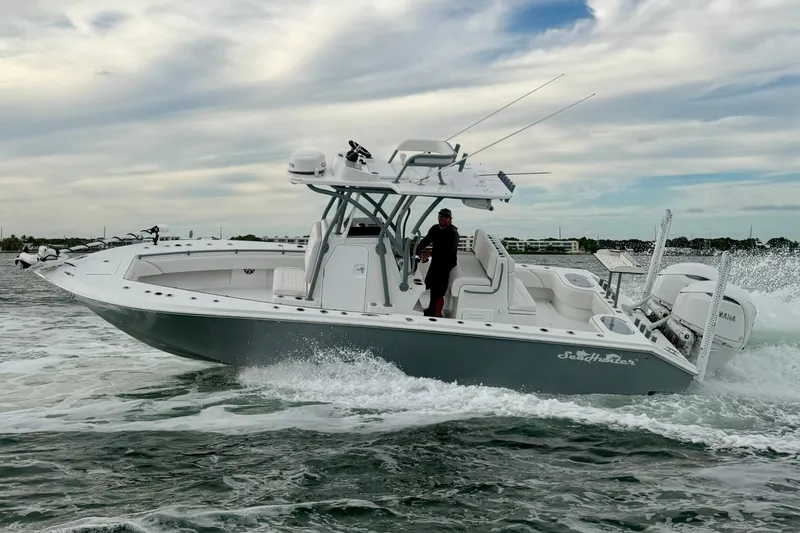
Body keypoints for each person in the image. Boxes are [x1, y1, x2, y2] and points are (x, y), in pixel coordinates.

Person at [415, 208, 459, 317]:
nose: (442, 218)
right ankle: (431, 309)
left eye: (446, 217)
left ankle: (436, 315)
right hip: (435, 263)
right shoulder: (435, 228)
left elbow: (449, 251)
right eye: (441, 216)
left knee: (439, 291)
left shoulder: (453, 233)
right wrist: (417, 249)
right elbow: (426, 240)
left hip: (446, 265)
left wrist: (429, 254)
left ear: (450, 219)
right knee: (432, 287)